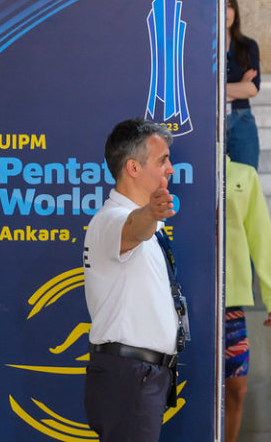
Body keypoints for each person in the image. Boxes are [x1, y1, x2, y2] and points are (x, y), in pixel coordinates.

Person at [83, 118, 184, 442]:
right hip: (130, 377)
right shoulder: (112, 219)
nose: (170, 168)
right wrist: (150, 214)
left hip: (141, 377)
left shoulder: (138, 222)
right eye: (162, 160)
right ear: (133, 168)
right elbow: (132, 229)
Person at [224, 157, 271, 442]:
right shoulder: (179, 170)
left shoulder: (243, 174)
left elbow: (260, 234)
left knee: (237, 390)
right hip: (187, 305)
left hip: (230, 304)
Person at [225, 0, 261, 168]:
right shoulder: (200, 46)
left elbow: (252, 89)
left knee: (246, 180)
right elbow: (199, 89)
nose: (226, 12)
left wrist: (218, 91)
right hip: (211, 121)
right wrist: (239, 87)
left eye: (230, 6)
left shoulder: (248, 46)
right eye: (220, 5)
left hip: (242, 119)